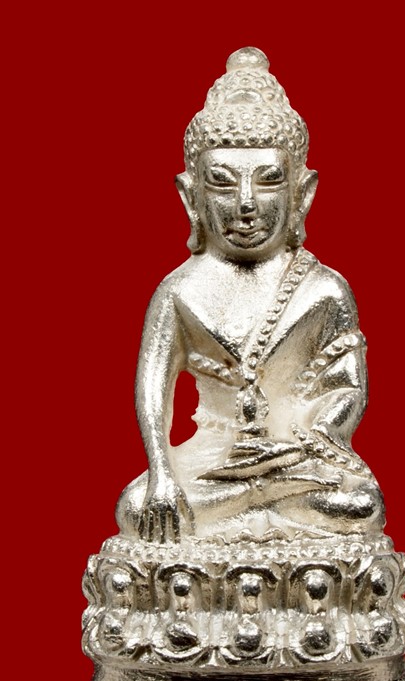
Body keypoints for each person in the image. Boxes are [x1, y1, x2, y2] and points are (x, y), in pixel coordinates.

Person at [116, 48, 385, 544]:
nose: (245, 203)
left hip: (295, 459)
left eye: (268, 181)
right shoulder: (179, 292)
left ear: (302, 194)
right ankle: (259, 509)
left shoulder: (324, 289)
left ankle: (259, 505)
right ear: (190, 196)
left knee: (359, 505)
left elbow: (346, 389)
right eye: (222, 183)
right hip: (211, 459)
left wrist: (305, 440)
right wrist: (162, 473)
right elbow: (153, 389)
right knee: (136, 507)